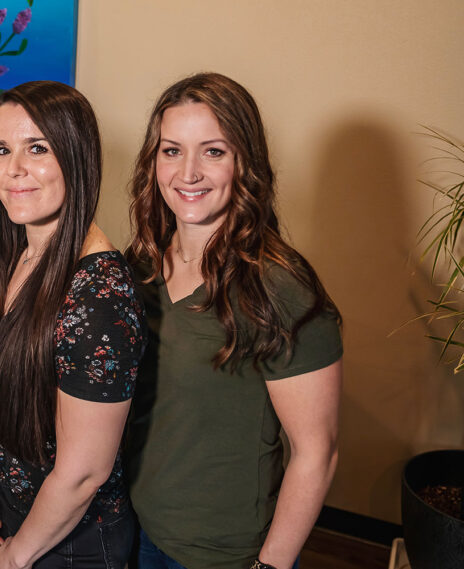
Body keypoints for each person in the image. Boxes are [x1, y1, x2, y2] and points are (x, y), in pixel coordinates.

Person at [124, 72, 343, 569]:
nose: (189, 172)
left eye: (214, 151)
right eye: (172, 150)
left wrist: (271, 565)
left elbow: (318, 452)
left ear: (246, 161)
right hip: (134, 528)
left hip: (223, 556)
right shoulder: (137, 265)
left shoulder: (279, 288)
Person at [0, 80, 147, 569]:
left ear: (78, 158)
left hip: (75, 544)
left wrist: (15, 557)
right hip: (23, 522)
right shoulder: (25, 253)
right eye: (2, 150)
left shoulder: (99, 294)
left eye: (38, 148)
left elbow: (83, 473)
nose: (14, 170)